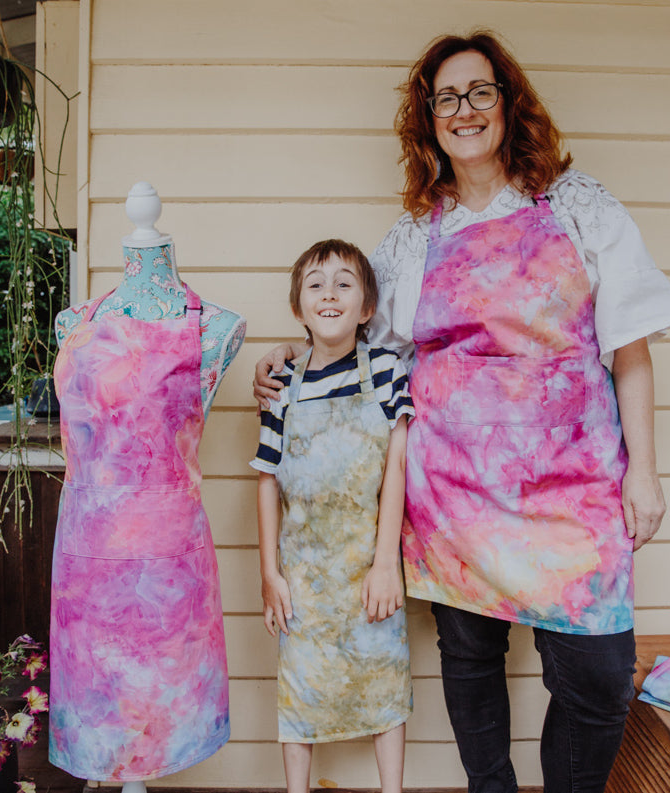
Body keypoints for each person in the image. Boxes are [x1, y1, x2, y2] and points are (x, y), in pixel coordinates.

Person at [254, 31, 670, 793]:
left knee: (596, 677)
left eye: (478, 91)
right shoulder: (413, 239)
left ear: (506, 101)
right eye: (445, 98)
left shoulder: (578, 206)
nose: (463, 110)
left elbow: (629, 347)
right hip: (452, 494)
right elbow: (357, 335)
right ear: (428, 119)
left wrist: (642, 472)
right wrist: (292, 359)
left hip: (573, 490)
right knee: (471, 659)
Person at [49, 183, 246, 791]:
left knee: (162, 714)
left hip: (167, 558)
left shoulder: (214, 327)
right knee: (101, 712)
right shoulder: (73, 322)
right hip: (87, 556)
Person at [250, 239, 413, 793]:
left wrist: (385, 562)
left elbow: (396, 466)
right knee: (299, 688)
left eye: (345, 283)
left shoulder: (387, 370)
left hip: (367, 563)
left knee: (383, 682)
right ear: (299, 307)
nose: (330, 293)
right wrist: (271, 573)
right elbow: (267, 480)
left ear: (367, 307)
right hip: (304, 571)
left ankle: (391, 788)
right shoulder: (282, 386)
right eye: (316, 284)